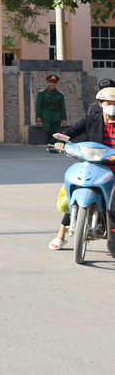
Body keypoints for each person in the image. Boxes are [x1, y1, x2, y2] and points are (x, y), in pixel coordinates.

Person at [49, 86, 115, 249]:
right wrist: (62, 141)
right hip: (95, 165)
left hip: (113, 169)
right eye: (108, 103)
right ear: (100, 104)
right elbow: (72, 131)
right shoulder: (92, 118)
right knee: (77, 190)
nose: (112, 106)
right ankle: (61, 235)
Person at [36, 75, 68, 153]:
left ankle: (52, 147)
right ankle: (50, 140)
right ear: (48, 82)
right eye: (51, 82)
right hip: (46, 115)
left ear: (56, 84)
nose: (52, 84)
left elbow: (62, 107)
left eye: (54, 83)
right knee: (47, 129)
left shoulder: (60, 95)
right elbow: (38, 105)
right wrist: (38, 116)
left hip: (57, 115)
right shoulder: (42, 94)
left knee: (56, 133)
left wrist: (64, 118)